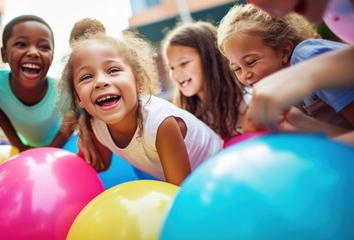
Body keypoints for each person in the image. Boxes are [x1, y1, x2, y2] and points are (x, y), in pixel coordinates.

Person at [58, 31, 223, 186]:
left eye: (113, 70)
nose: (101, 81)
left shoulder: (160, 124)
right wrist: (86, 139)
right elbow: (101, 164)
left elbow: (180, 192)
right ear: (78, 97)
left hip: (217, 171)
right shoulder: (96, 126)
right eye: (87, 77)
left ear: (140, 83)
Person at [217, 3, 354, 142]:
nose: (246, 75)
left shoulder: (306, 57)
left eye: (251, 62)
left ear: (284, 51)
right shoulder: (287, 92)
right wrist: (302, 124)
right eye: (237, 69)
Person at [0, 15, 73, 179]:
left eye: (44, 47)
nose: (33, 52)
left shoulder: (63, 90)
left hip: (66, 146)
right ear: (4, 54)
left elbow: (73, 118)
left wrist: (48, 151)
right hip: (25, 145)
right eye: (21, 44)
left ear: (52, 58)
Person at [160, 21, 268, 144]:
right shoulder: (189, 112)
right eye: (171, 68)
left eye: (184, 63)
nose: (175, 74)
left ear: (209, 59)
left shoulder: (244, 101)